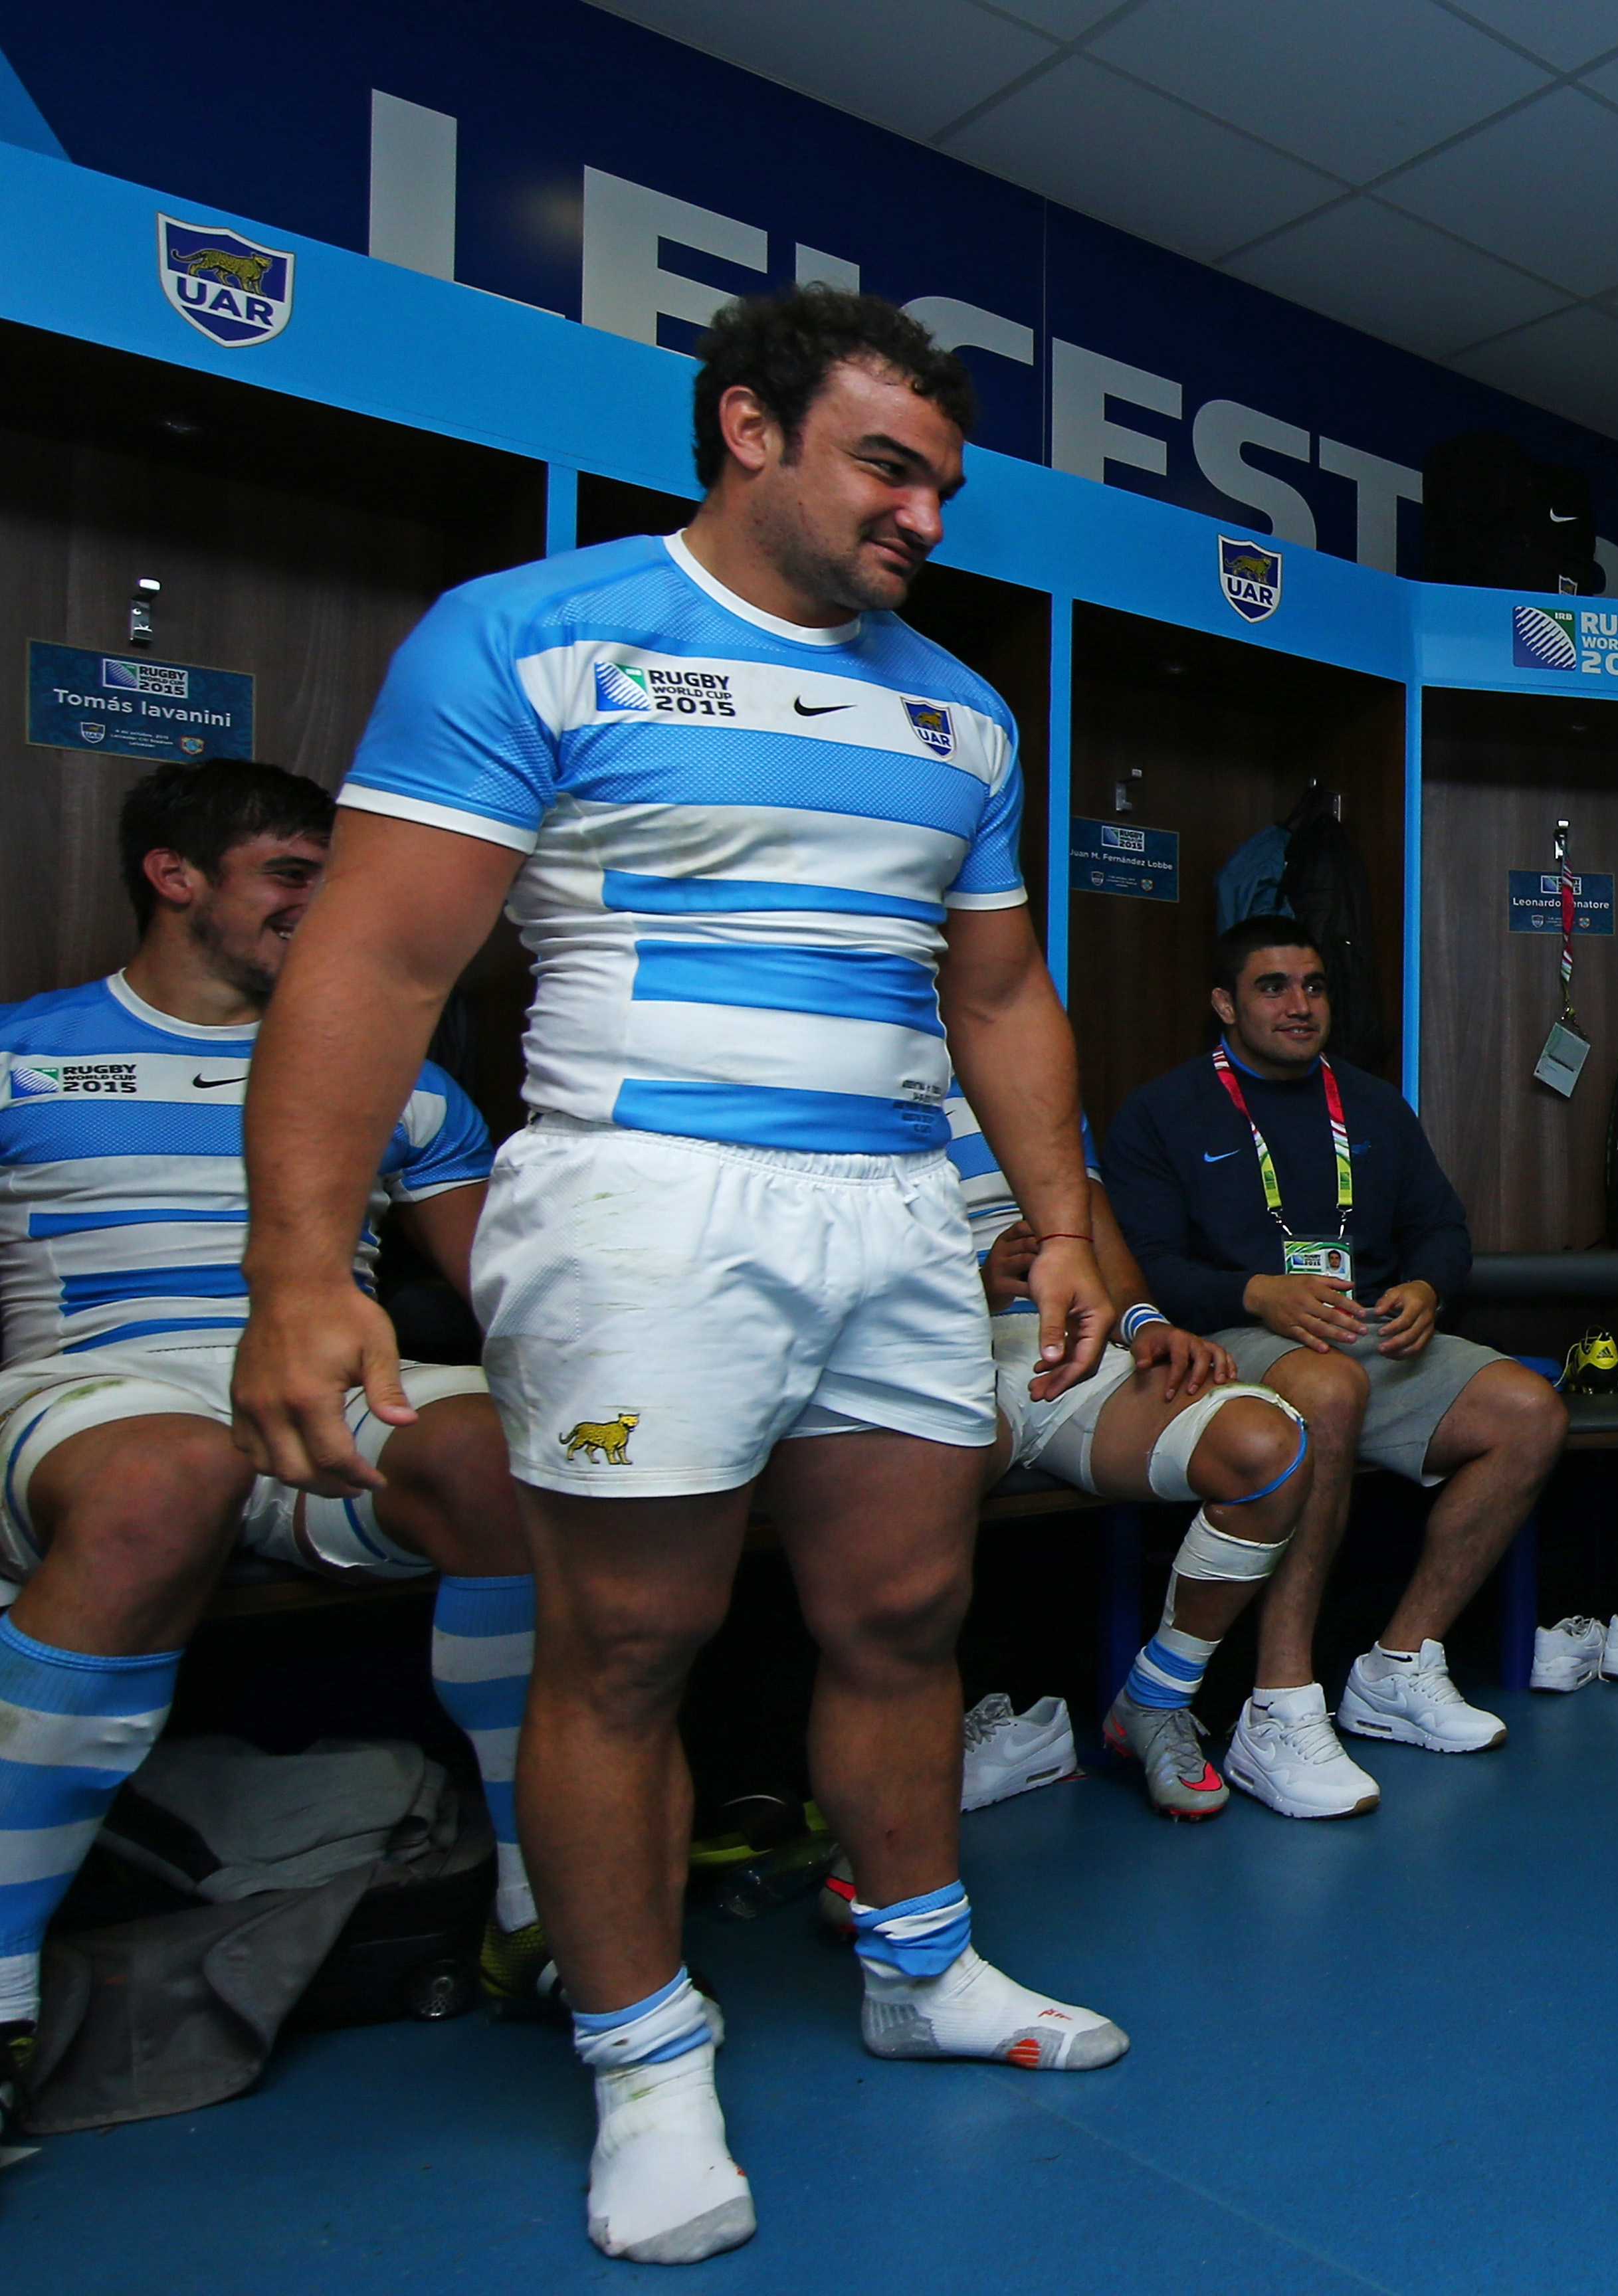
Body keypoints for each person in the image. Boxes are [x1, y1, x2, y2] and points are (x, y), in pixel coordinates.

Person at [228, 286, 1125, 2268]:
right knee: (628, 1644)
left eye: (944, 485)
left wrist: (1055, 1219)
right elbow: (375, 963)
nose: (923, 515)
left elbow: (995, 986)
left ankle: (920, 1966)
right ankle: (644, 2059)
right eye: (885, 466)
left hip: (892, 1210)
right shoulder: (532, 632)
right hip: (644, 1205)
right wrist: (300, 1264)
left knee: (904, 1606)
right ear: (745, 427)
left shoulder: (959, 710)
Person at [0, 760, 538, 2127]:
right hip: (97, 1394)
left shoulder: (398, 1083)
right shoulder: (24, 1053)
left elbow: (504, 1299)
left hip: (319, 1392)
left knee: (506, 1455)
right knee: (164, 1477)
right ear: (173, 876)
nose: (321, 904)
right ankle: (4, 1994)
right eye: (291, 875)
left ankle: (541, 1909)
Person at [1102, 917, 1567, 1820]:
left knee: (1528, 1408)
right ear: (1225, 1004)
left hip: (1364, 1333)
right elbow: (1146, 1266)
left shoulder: (1371, 1104)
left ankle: (1397, 1665)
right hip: (1228, 1340)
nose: (1299, 1004)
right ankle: (1277, 1705)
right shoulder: (1164, 1112)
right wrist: (1254, 1294)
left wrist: (1430, 1287)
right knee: (1326, 1389)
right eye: (1273, 986)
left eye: (1313, 985)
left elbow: (1442, 1227)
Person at [946, 1088, 1313, 1822]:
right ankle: (907, 1769)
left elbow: (1087, 1217)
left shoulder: (1021, 1071)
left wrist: (1144, 1322)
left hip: (1074, 1347)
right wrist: (973, 1284)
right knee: (915, 1491)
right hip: (947, 1347)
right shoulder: (852, 1054)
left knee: (1264, 1446)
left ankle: (1154, 1698)